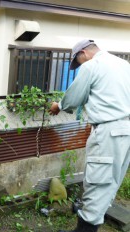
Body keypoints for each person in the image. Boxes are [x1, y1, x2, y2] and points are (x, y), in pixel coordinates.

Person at [49, 39, 130, 232]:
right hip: (126, 131)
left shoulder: (92, 66)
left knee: (97, 184)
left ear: (83, 53)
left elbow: (73, 98)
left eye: (79, 61)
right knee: (111, 183)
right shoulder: (124, 64)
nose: (80, 66)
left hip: (108, 132)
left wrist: (58, 106)